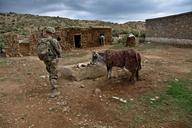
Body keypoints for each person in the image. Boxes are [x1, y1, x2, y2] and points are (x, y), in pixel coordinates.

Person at [37, 27, 62, 98]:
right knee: (53, 74)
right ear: (52, 33)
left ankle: (53, 84)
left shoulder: (41, 40)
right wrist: (59, 55)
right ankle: (54, 91)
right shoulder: (53, 40)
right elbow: (59, 50)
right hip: (53, 59)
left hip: (46, 60)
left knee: (51, 72)